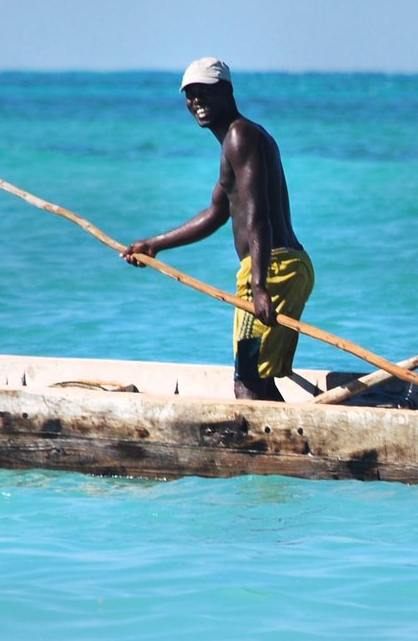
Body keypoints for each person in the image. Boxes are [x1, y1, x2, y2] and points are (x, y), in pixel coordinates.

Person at [123, 58, 314, 401]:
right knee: (258, 377)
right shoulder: (236, 142)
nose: (196, 102)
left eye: (204, 94)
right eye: (189, 95)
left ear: (226, 92)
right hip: (286, 267)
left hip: (272, 269)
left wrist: (258, 285)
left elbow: (257, 215)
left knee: (247, 380)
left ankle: (264, 453)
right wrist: (155, 245)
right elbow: (216, 212)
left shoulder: (240, 137)